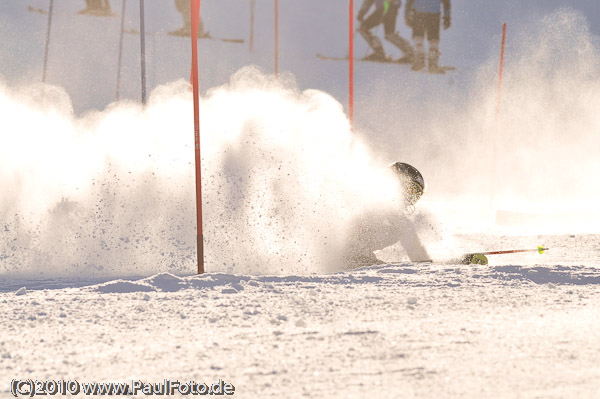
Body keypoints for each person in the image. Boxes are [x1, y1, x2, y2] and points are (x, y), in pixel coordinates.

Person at [342, 162, 431, 267]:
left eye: (415, 196)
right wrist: (423, 262)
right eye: (409, 190)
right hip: (341, 244)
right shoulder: (375, 197)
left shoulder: (380, 201)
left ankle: (357, 254)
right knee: (400, 227)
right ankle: (353, 255)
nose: (410, 199)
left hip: (346, 247)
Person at [405, 0, 451, 73]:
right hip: (433, 13)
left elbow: (409, 1)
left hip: (419, 12)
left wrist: (407, 14)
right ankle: (432, 63)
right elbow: (446, 2)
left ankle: (420, 60)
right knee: (433, 39)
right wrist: (447, 16)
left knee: (418, 37)